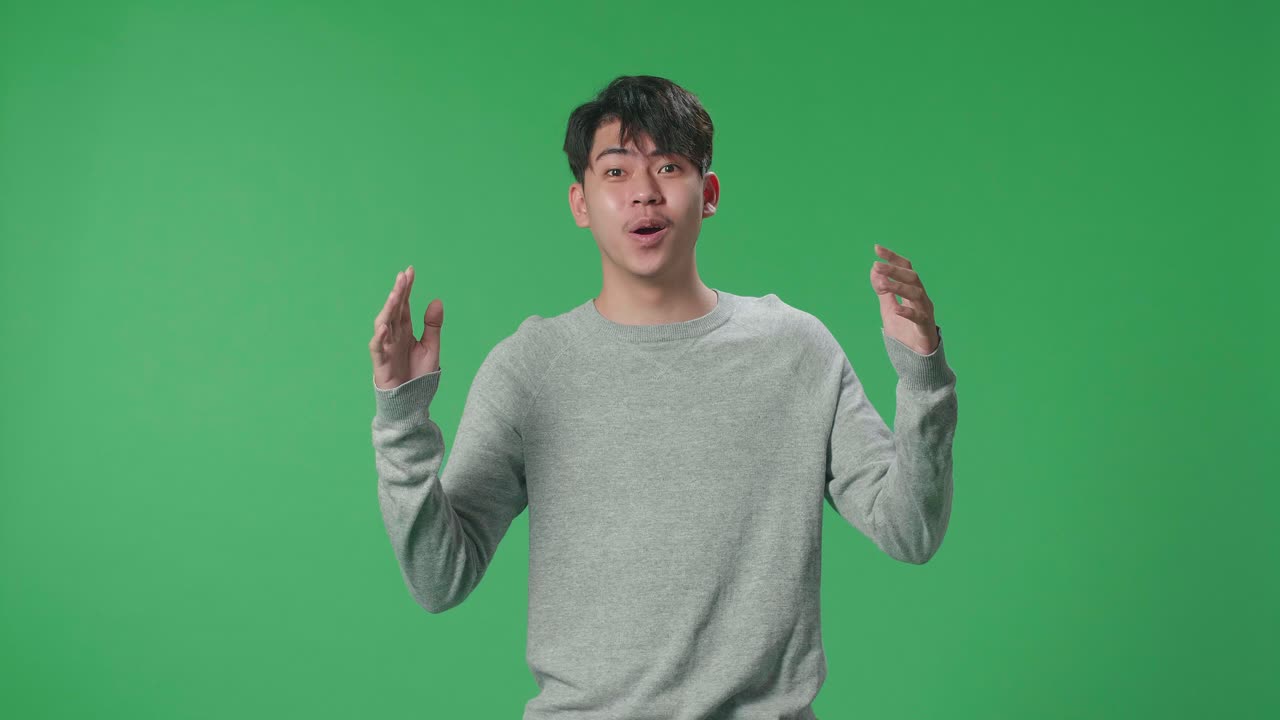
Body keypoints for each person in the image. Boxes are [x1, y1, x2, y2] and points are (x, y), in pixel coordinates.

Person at [367, 75, 958, 720]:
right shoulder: (530, 368)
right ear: (581, 202)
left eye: (669, 167)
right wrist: (401, 415)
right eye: (616, 171)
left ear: (708, 194)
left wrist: (922, 376)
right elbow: (438, 578)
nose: (644, 192)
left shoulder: (797, 349)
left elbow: (911, 530)